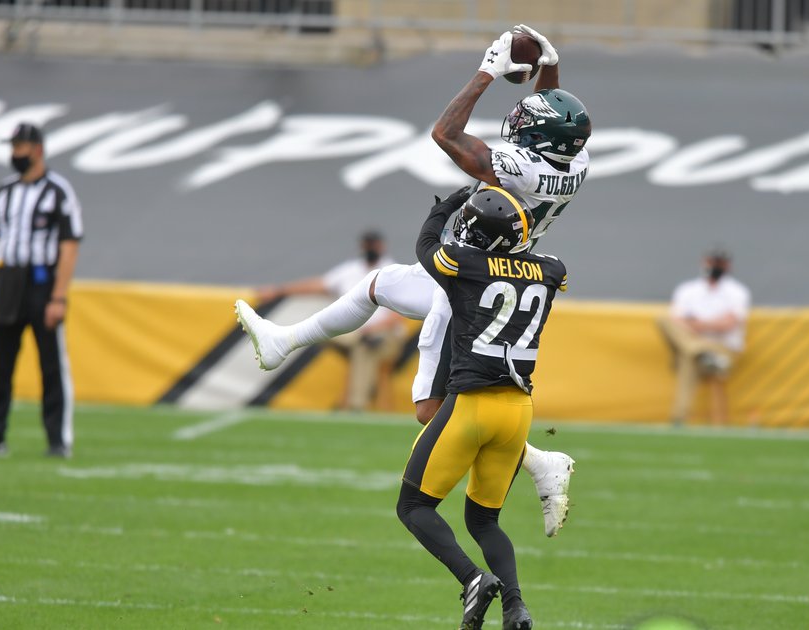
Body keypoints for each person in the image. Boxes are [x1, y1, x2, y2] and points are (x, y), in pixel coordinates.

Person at [235, 23, 590, 537]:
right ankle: (284, 340)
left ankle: (537, 461)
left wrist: (488, 71)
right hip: (491, 272)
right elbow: (551, 118)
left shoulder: (521, 170)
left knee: (430, 411)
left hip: (466, 282)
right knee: (378, 284)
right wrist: (549, 69)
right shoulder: (577, 162)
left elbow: (445, 133)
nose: (516, 123)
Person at [397, 185, 565, 630]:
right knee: (485, 521)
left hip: (472, 404)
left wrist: (444, 207)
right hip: (518, 411)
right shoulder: (550, 270)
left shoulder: (465, 264)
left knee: (414, 506)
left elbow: (426, 246)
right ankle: (516, 606)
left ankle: (473, 578)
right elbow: (527, 259)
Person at [0, 123, 83, 458]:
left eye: (20, 147)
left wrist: (58, 296)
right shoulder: (4, 191)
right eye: (13, 147)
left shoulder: (59, 192)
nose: (15, 154)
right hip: (7, 282)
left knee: (51, 366)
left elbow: (69, 246)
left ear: (38, 150)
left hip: (41, 283)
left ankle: (58, 440)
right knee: (1, 365)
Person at [251, 231, 404, 411]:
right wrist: (279, 291)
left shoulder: (392, 271)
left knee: (365, 345)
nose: (370, 248)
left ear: (381, 246)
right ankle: (287, 339)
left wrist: (371, 330)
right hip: (354, 334)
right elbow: (318, 285)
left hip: (384, 337)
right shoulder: (351, 270)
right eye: (367, 244)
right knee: (349, 339)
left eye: (373, 244)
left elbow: (398, 314)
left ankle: (356, 406)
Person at [658, 248, 750, 426]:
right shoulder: (687, 289)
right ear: (704, 262)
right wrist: (708, 326)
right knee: (664, 322)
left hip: (722, 349)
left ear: (727, 265)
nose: (715, 266)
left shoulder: (737, 291)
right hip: (697, 346)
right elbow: (675, 320)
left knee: (688, 358)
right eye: (712, 261)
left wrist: (695, 324)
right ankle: (700, 353)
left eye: (720, 262)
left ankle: (678, 419)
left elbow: (729, 324)